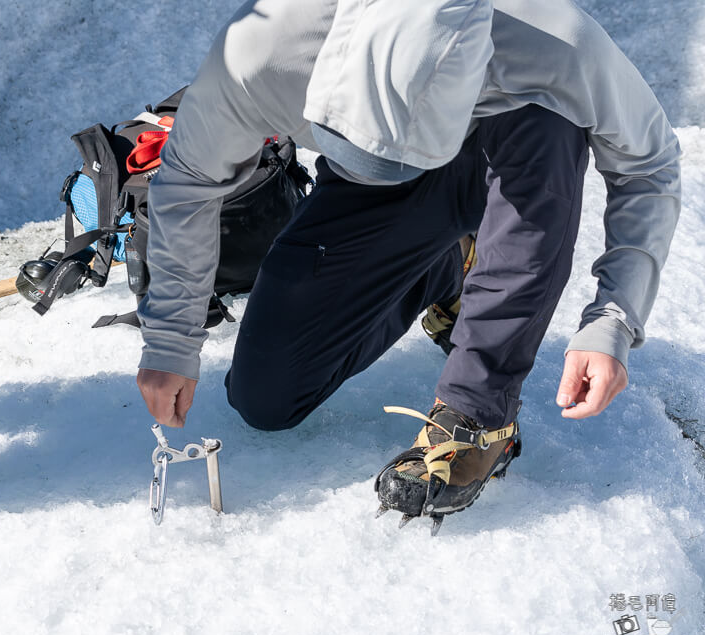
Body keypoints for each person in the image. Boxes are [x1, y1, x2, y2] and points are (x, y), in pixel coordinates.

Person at [135, 0, 681, 533]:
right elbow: (187, 183)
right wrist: (170, 340)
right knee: (267, 396)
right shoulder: (264, 50)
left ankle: (479, 413)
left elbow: (650, 166)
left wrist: (613, 316)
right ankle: (448, 264)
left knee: (546, 126)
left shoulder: (555, 40)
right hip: (374, 188)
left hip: (511, 164)